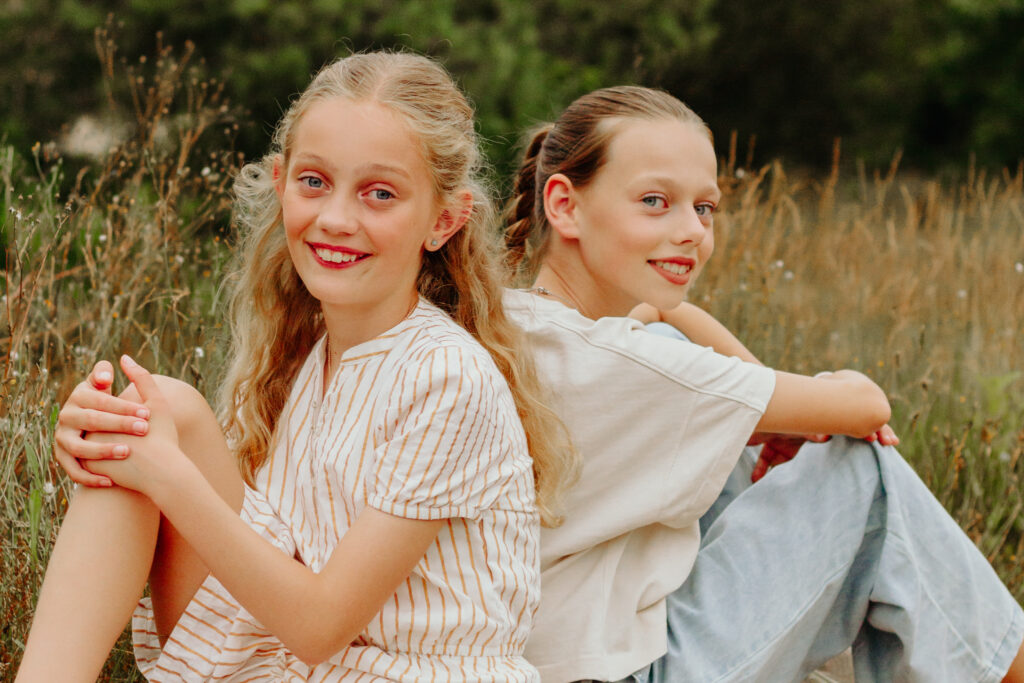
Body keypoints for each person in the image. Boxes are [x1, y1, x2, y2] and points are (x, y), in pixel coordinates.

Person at [17, 51, 575, 682]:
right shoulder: (306, 352)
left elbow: (319, 627)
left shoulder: (448, 376)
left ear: (443, 221)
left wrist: (168, 477)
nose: (336, 219)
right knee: (153, 412)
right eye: (314, 182)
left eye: (380, 193)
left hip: (393, 672)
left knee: (152, 446)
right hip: (296, 662)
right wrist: (100, 434)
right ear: (281, 182)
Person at [502, 85, 1024, 682]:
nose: (691, 230)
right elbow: (863, 408)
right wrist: (826, 396)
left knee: (678, 354)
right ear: (564, 204)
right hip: (621, 672)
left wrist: (687, 328)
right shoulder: (629, 367)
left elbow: (650, 336)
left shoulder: (519, 325)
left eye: (704, 208)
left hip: (564, 654)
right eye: (654, 201)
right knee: (857, 469)